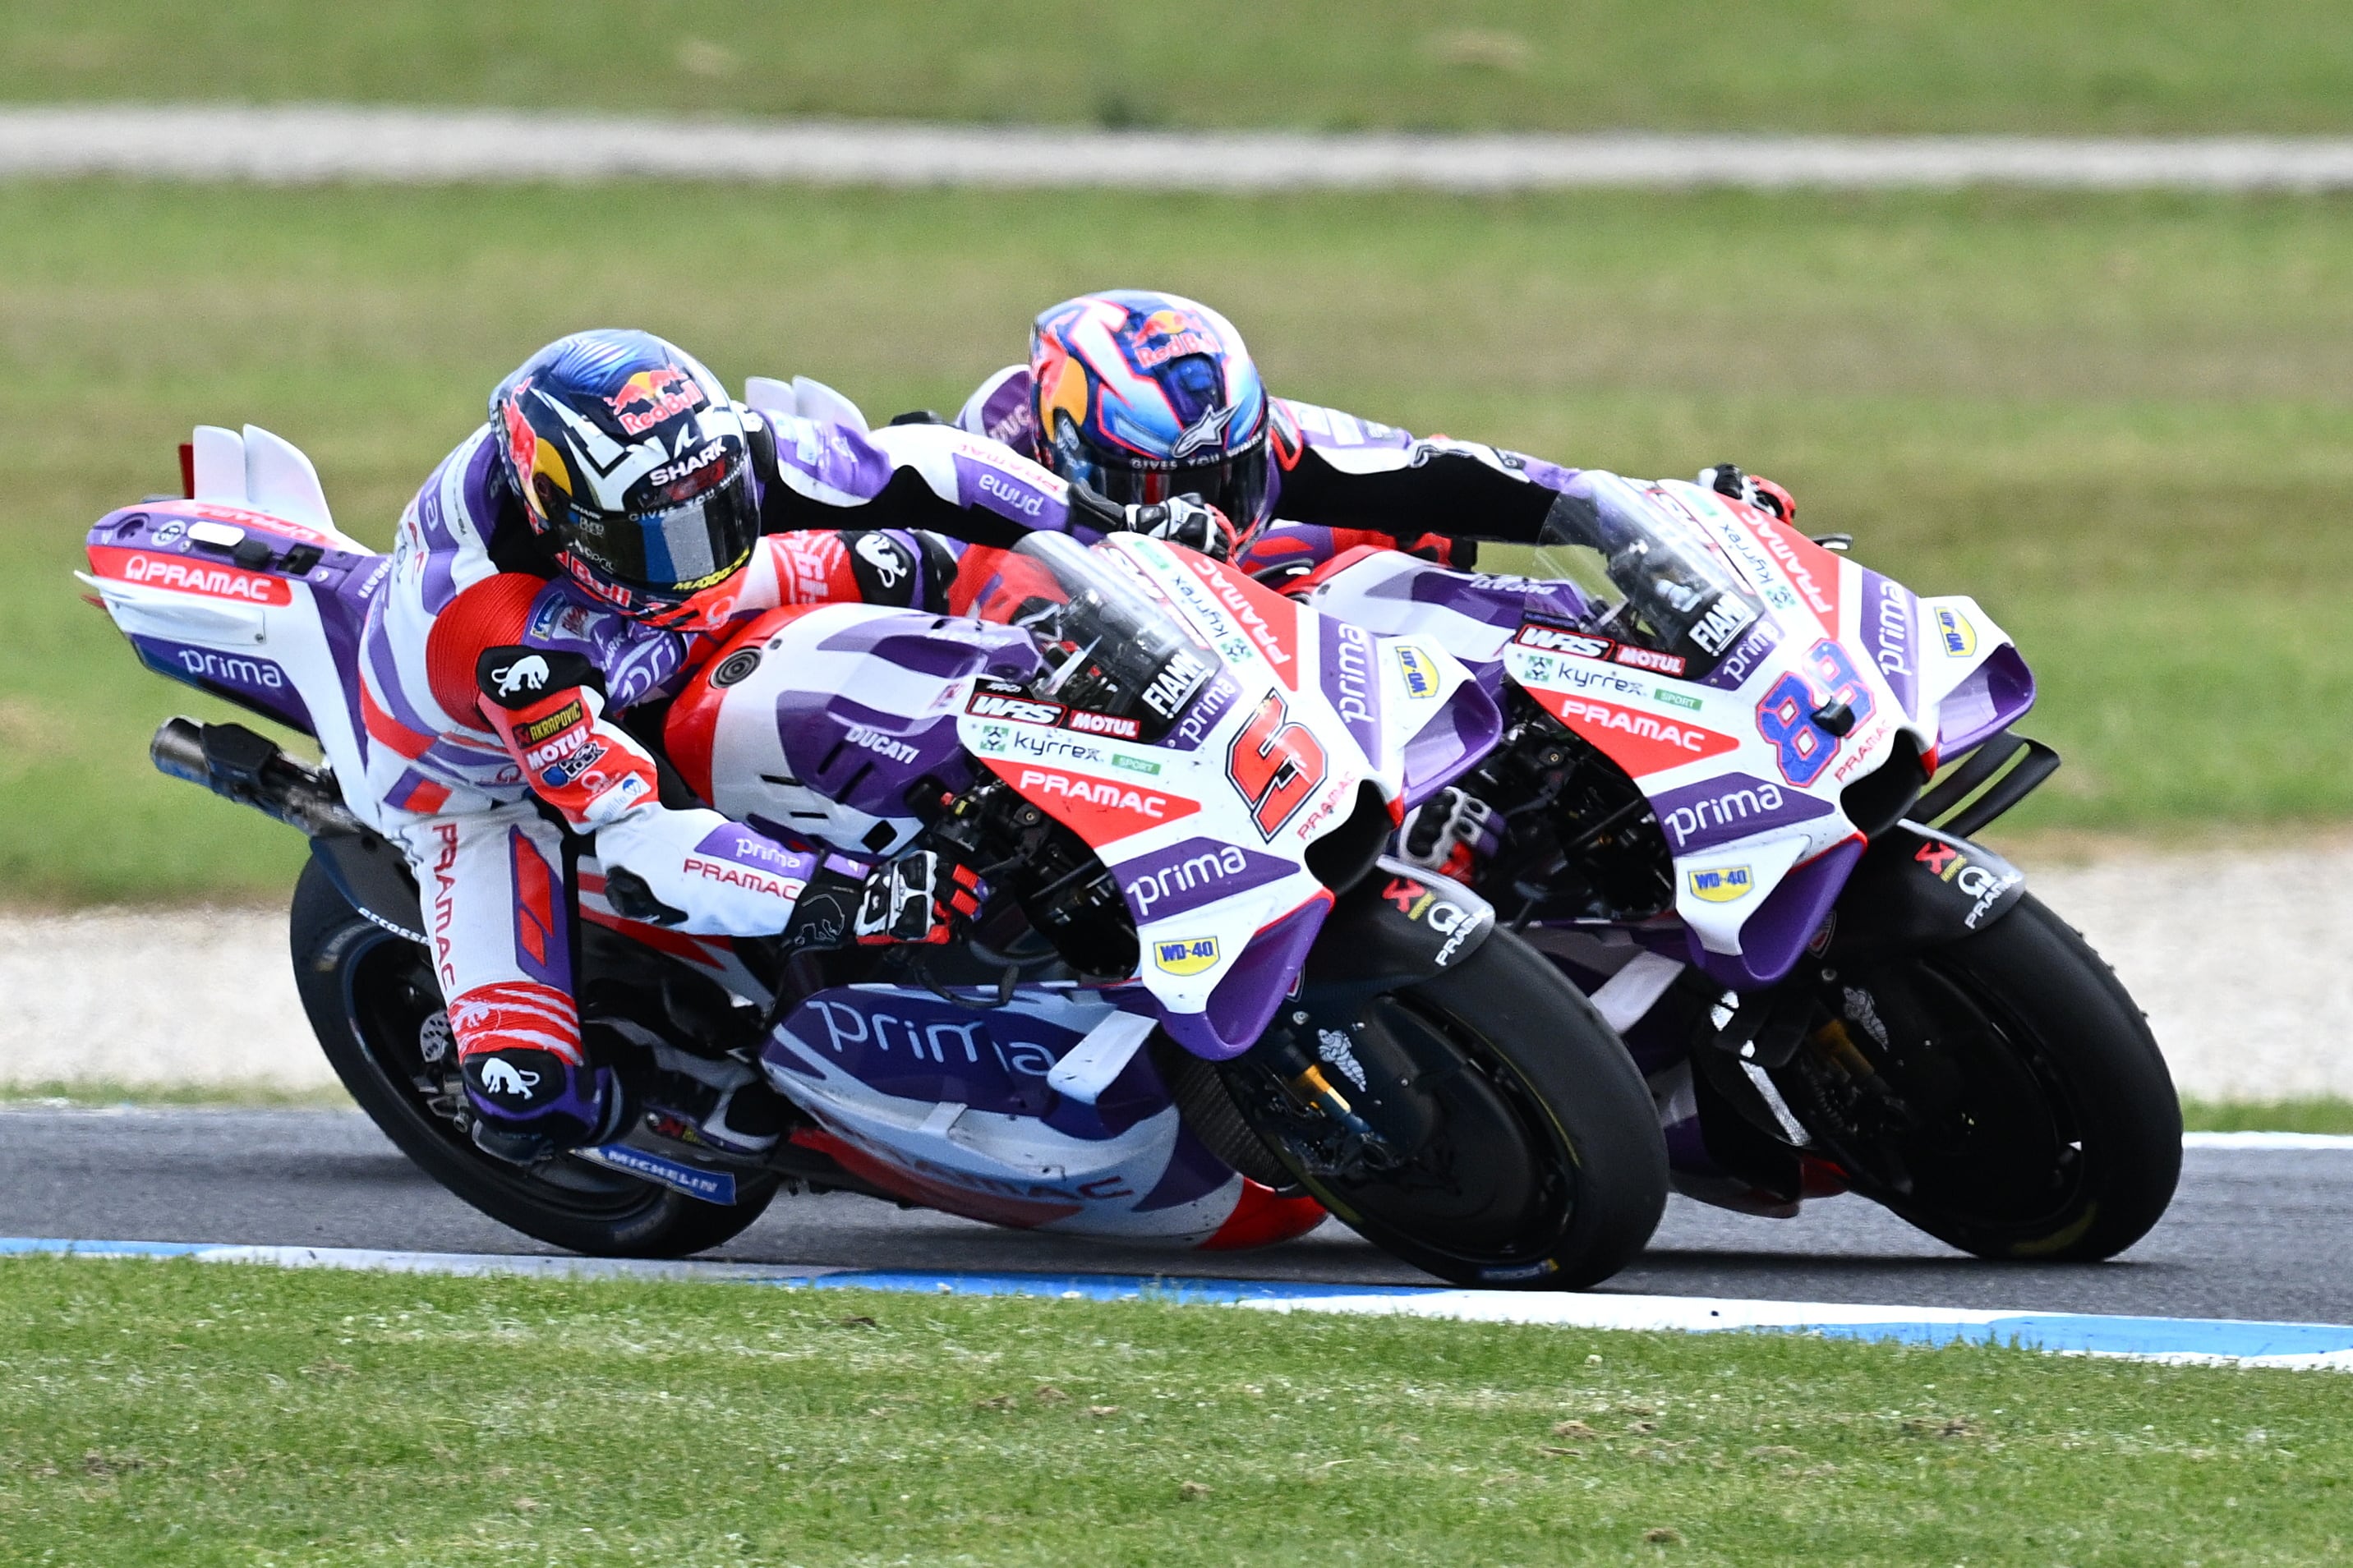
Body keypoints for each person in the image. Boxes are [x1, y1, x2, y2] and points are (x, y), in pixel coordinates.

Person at [361, 329, 1221, 1163]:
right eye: (658, 536)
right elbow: (640, 847)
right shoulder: (500, 637)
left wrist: (1107, 524)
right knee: (524, 1101)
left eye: (713, 514)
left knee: (915, 557)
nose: (691, 552)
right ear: (564, 522)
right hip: (483, 783)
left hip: (654, 624)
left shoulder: (687, 461)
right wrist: (846, 893)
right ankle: (711, 1094)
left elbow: (911, 464)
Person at [954, 289, 1796, 577]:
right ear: (1062, 453)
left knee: (1405, 555)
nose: (1207, 513)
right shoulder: (989, 469)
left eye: (1228, 480)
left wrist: (1663, 518)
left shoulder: (1274, 442)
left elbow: (1447, 472)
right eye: (1165, 490)